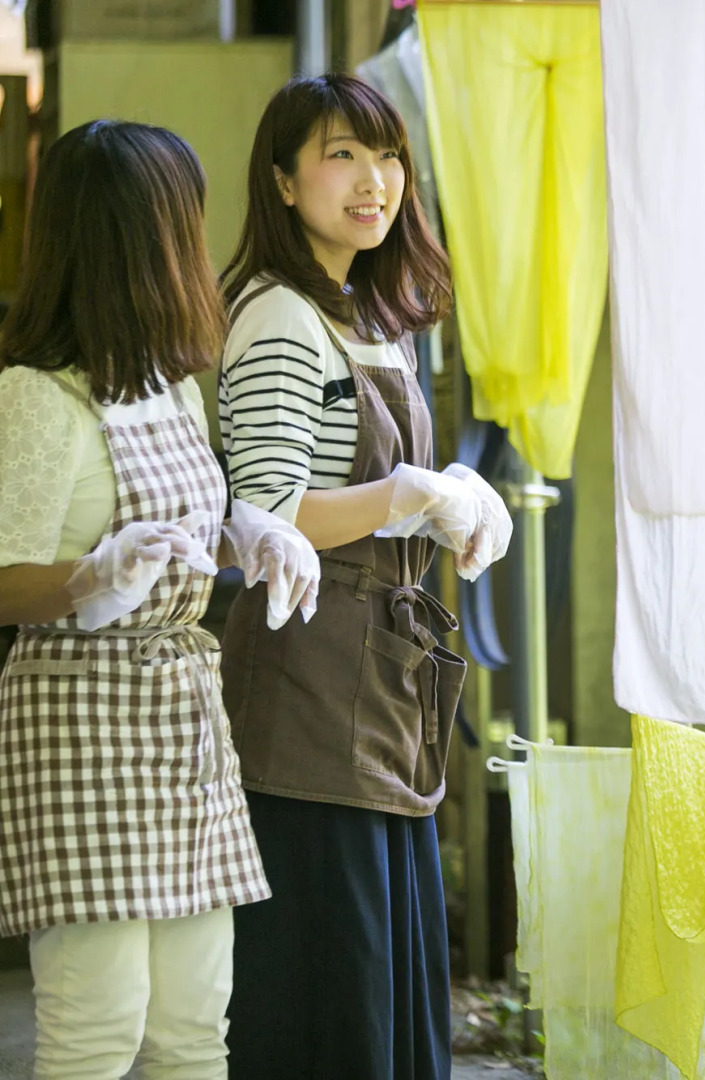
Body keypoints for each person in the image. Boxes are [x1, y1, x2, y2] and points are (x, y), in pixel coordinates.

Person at [0, 120, 319, 1080]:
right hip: (76, 712)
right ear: (148, 237)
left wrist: (254, 533)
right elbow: (6, 577)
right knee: (99, 1027)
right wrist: (91, 577)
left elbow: (188, 533)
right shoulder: (34, 395)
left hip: (183, 709)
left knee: (192, 1027)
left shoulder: (172, 384)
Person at [216, 74, 511, 1080]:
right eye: (341, 155)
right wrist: (407, 496)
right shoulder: (276, 321)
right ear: (283, 180)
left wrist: (452, 495)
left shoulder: (366, 316)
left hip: (376, 678)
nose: (372, 181)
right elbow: (267, 515)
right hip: (305, 689)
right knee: (330, 983)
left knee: (383, 971)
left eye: (386, 158)